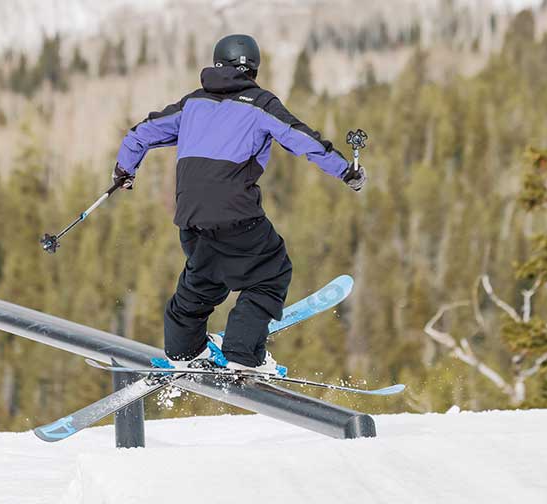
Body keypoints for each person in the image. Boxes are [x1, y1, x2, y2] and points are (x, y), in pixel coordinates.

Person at [113, 34, 366, 375]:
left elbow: (140, 134)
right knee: (270, 273)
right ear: (254, 68)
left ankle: (184, 350)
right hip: (236, 217)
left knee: (204, 278)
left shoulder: (192, 104)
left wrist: (124, 171)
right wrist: (346, 171)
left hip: (190, 219)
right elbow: (301, 138)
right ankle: (244, 355)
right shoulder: (259, 104)